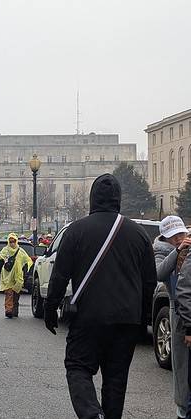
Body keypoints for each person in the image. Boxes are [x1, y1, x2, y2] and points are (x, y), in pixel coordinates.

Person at [44, 174, 157, 419]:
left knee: (78, 367)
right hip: (127, 319)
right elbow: (150, 281)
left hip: (88, 316)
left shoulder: (76, 231)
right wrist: (144, 317)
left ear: (92, 198)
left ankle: (91, 413)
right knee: (116, 379)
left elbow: (60, 275)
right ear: (119, 199)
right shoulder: (138, 234)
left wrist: (50, 308)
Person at [154, 215, 191, 419]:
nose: (178, 238)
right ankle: (182, 409)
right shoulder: (161, 251)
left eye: (180, 234)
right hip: (177, 312)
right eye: (172, 237)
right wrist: (177, 251)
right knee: (182, 367)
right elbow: (158, 273)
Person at [0, 233, 32, 318]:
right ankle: (8, 310)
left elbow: (27, 262)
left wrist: (25, 275)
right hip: (7, 275)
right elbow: (0, 262)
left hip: (18, 276)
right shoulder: (5, 251)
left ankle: (14, 310)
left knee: (16, 293)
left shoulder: (21, 251)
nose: (12, 243)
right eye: (10, 241)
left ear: (16, 241)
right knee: (9, 293)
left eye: (14, 241)